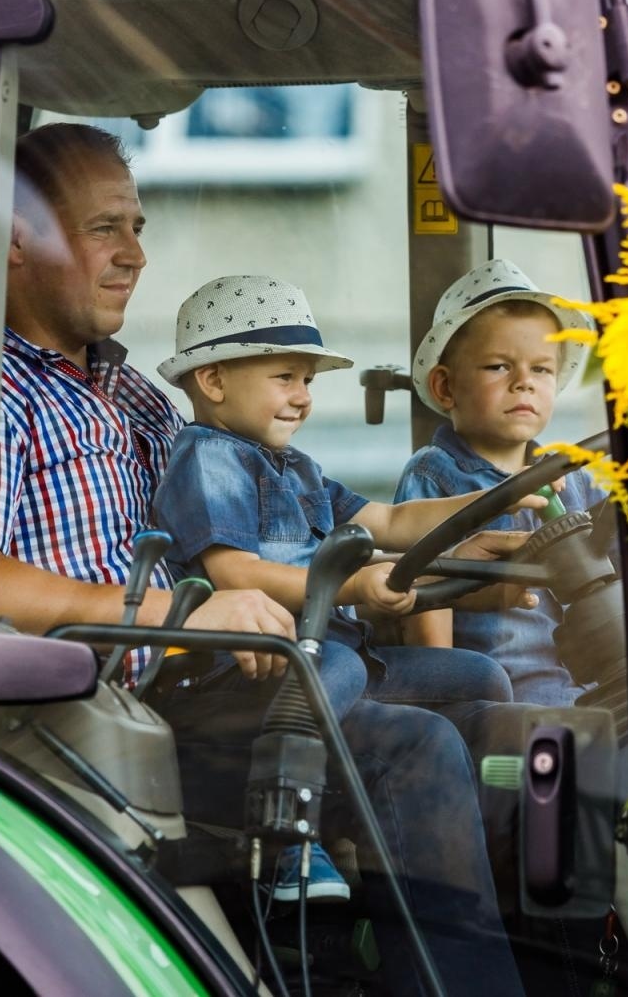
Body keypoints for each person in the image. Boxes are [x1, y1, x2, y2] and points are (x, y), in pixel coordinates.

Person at [0, 123, 526, 997]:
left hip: (213, 679)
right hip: (84, 725)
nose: (135, 254)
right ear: (15, 239)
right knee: (415, 748)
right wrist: (184, 616)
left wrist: (486, 527)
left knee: (483, 707)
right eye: (107, 228)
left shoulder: (137, 397)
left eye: (138, 228)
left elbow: (277, 513)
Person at [149, 273, 523, 900]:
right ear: (213, 381)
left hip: (337, 659)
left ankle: (481, 847)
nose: (302, 398)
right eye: (284, 377)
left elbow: (394, 521)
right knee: (342, 663)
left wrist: (499, 495)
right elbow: (233, 574)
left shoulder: (296, 467)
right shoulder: (208, 457)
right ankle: (284, 826)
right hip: (256, 666)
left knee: (482, 679)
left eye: (308, 381)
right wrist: (353, 587)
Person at [395, 259, 605, 707]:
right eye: (498, 367)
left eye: (542, 370)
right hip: (500, 694)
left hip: (589, 679)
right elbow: (427, 593)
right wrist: (445, 697)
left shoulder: (575, 475)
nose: (524, 383)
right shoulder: (435, 474)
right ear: (446, 388)